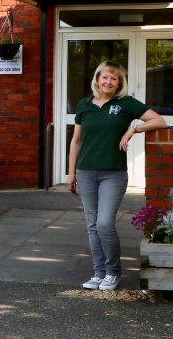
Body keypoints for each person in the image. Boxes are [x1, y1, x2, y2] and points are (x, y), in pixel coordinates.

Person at [66, 60, 167, 291]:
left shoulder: (126, 103)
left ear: (119, 82)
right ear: (97, 78)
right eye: (105, 77)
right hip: (86, 172)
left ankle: (113, 272)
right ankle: (99, 272)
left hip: (113, 174)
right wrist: (71, 174)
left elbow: (158, 120)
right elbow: (76, 141)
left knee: (104, 224)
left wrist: (134, 129)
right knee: (92, 225)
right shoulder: (84, 105)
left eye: (114, 78)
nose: (109, 81)